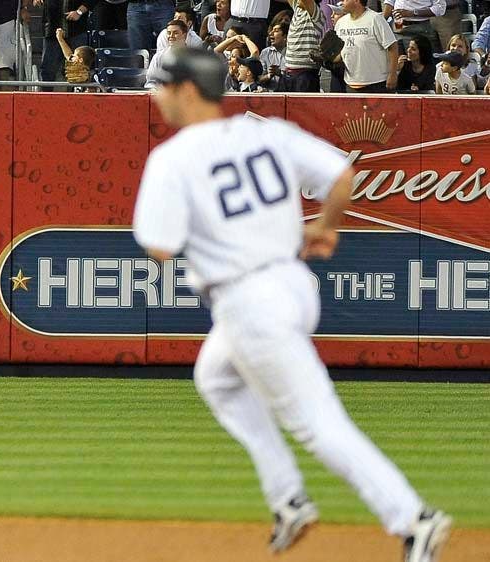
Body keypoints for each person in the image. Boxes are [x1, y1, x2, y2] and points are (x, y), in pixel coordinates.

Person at [133, 46, 453, 562]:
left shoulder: (173, 158)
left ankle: (413, 518)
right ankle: (288, 498)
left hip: (247, 301)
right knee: (215, 377)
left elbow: (160, 247)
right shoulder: (267, 133)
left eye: (162, 85)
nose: (156, 96)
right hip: (293, 286)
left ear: (188, 90)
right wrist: (325, 227)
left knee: (316, 423)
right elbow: (342, 176)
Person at [333, 0, 398, 92]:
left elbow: (392, 46)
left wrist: (392, 74)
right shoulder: (340, 23)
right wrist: (327, 58)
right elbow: (340, 53)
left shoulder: (375, 19)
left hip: (376, 83)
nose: (341, 2)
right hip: (350, 82)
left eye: (345, 0)